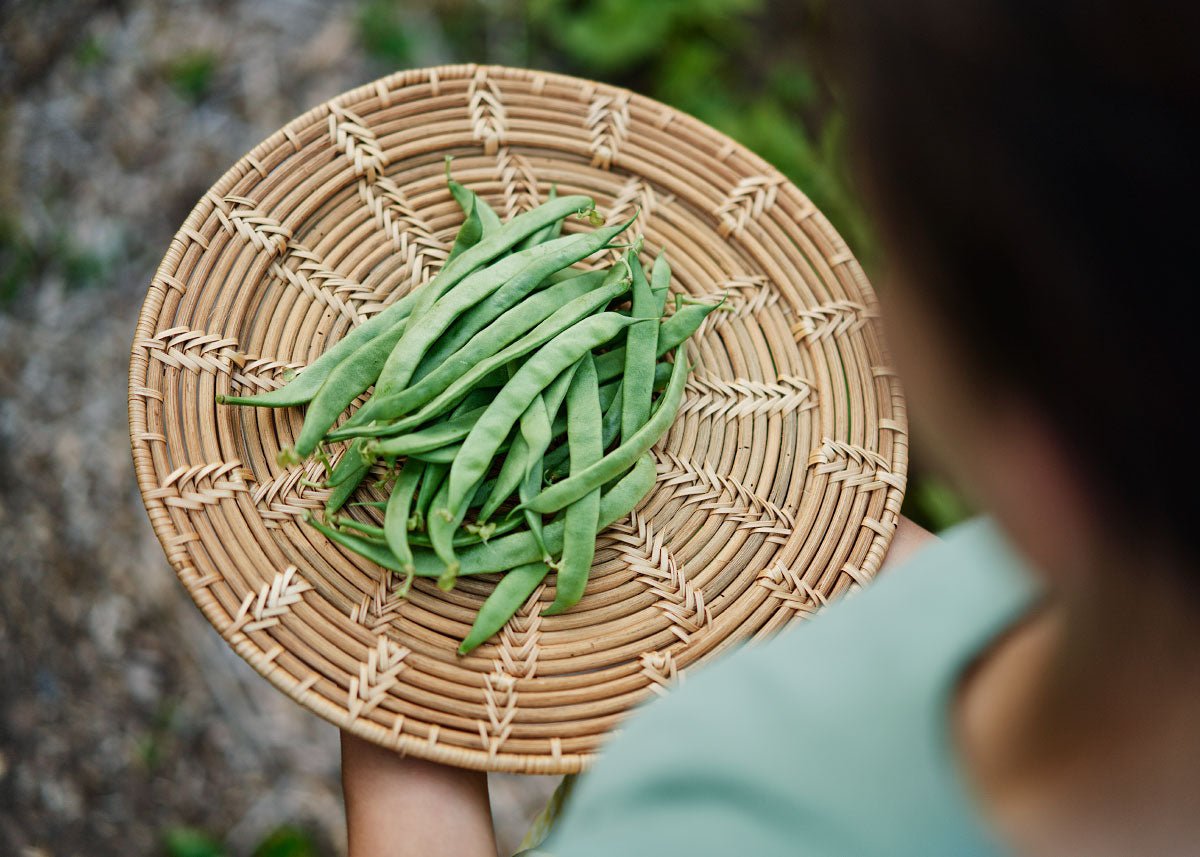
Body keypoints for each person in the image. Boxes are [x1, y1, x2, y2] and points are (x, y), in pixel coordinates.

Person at [340, 1, 1199, 854]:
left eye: (897, 252)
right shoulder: (1097, 576)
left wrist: (396, 722)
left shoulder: (711, 814)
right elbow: (957, 586)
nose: (876, 308)